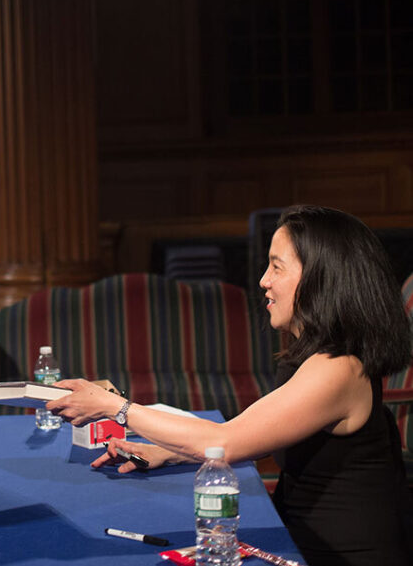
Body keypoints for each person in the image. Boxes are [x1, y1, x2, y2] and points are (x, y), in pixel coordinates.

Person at [47, 205, 413, 566]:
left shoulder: (337, 369)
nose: (263, 280)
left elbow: (227, 443)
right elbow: (250, 434)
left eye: (277, 266)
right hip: (300, 540)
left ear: (320, 277)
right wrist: (171, 452)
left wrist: (115, 408)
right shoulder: (315, 357)